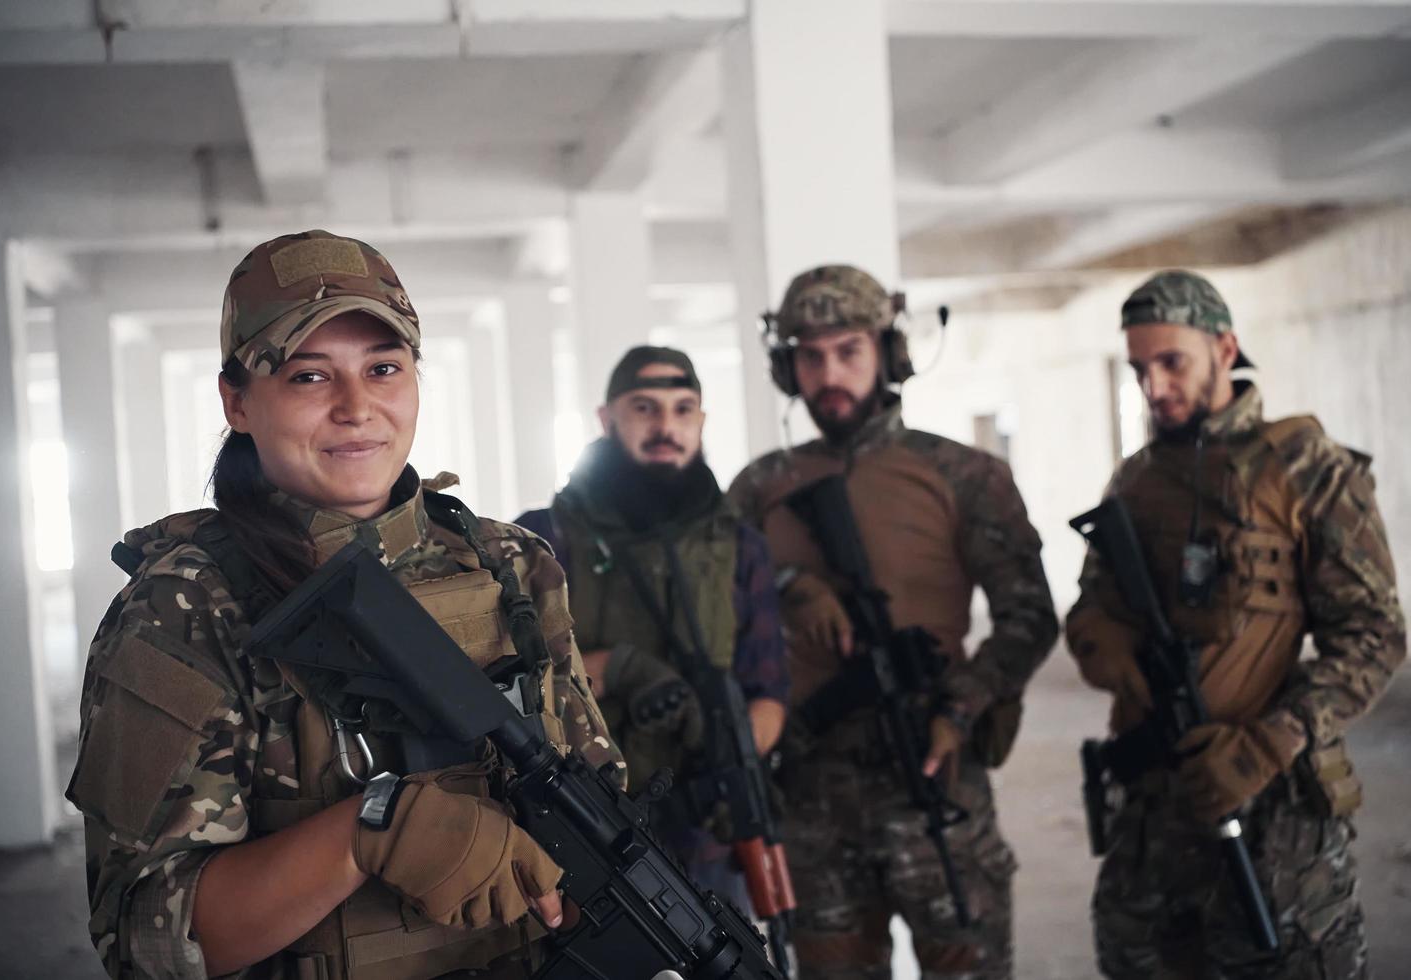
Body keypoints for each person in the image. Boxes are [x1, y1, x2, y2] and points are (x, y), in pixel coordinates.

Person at [65, 229, 623, 980]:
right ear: (236, 400)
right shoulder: (185, 606)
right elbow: (141, 938)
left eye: (383, 368)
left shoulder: (513, 562)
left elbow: (597, 796)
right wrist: (368, 835)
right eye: (308, 377)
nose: (357, 408)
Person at [1066, 269, 1407, 978]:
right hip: (1151, 826)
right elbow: (1090, 609)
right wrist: (1108, 647)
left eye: (1172, 363)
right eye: (1139, 369)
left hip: (1273, 820)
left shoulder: (1308, 467)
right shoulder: (1133, 483)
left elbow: (1374, 636)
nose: (1154, 387)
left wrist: (1270, 741)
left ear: (1226, 349)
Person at [727, 265, 1058, 979]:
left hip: (936, 776)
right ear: (788, 368)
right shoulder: (759, 486)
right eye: (810, 357)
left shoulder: (964, 475)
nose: (829, 374)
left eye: (848, 351)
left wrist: (963, 708)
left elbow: (1029, 617)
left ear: (888, 353)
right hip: (810, 791)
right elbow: (714, 604)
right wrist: (791, 586)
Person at [515, 345, 789, 904]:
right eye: (645, 408)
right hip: (585, 831)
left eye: (683, 409)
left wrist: (726, 750)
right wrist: (619, 670)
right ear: (606, 418)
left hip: (707, 838)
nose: (666, 426)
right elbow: (516, 694)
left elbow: (770, 692)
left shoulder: (737, 543)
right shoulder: (542, 539)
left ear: (702, 422)